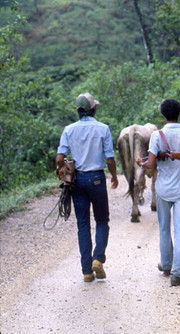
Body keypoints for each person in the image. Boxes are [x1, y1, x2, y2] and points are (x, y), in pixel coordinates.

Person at [137, 98, 180, 286]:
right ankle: (177, 273)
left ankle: (166, 264)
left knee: (164, 228)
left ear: (163, 114)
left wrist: (141, 163)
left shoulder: (156, 136)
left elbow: (150, 164)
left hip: (162, 189)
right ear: (179, 112)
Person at [56, 93, 119, 282]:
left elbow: (60, 158)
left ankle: (86, 272)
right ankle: (98, 259)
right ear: (93, 109)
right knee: (101, 220)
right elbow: (109, 158)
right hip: (97, 179)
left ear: (78, 111)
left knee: (82, 224)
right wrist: (114, 176)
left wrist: (63, 172)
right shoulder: (103, 128)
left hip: (77, 182)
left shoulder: (69, 129)